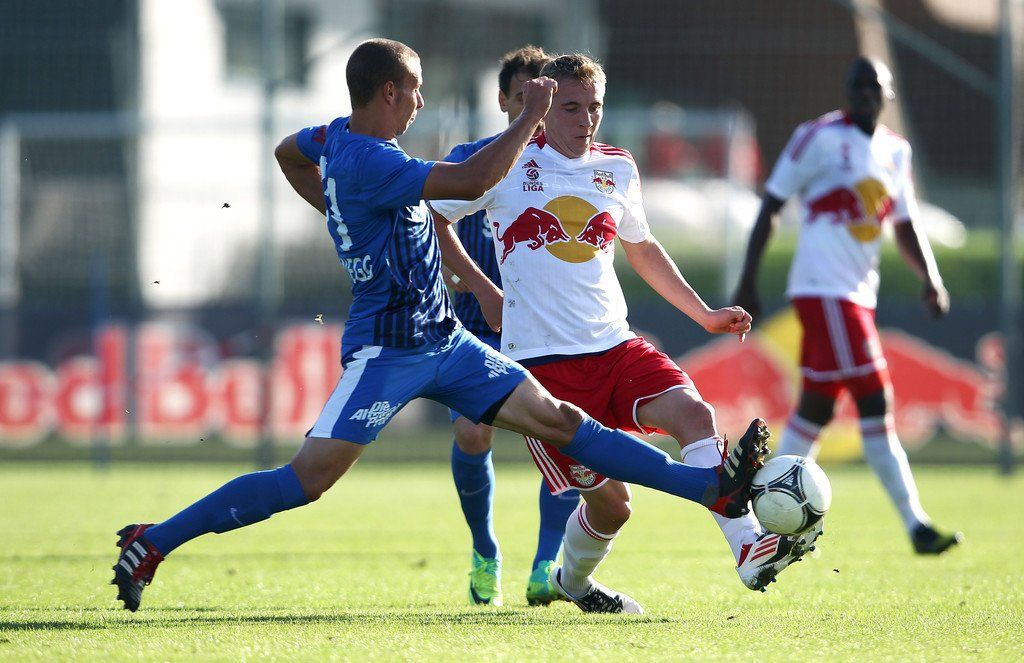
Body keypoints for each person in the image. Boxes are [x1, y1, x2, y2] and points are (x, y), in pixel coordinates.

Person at [111, 38, 769, 613]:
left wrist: (336, 213)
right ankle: (154, 540)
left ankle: (709, 487)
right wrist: (530, 117)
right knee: (305, 480)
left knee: (563, 422)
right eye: (415, 91)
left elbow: (289, 153)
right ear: (388, 93)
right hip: (387, 351)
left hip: (448, 340)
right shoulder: (373, 161)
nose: (421, 103)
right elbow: (476, 176)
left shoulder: (332, 137)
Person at [430, 54, 821, 614]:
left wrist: (705, 315)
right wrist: (481, 287)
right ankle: (573, 583)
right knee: (614, 507)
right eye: (571, 107)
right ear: (544, 109)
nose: (585, 119)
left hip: (616, 346)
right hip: (542, 371)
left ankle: (748, 548)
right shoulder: (507, 163)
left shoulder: (617, 166)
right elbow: (434, 215)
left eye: (594, 107)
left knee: (696, 415)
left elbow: (641, 247)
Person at [732, 57, 961, 555]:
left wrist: (930, 278)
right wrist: (747, 280)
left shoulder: (896, 151)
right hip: (824, 290)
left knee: (816, 408)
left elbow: (904, 222)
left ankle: (751, 511)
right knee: (875, 400)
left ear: (887, 93)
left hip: (857, 292)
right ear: (846, 90)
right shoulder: (817, 137)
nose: (864, 93)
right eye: (856, 85)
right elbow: (772, 203)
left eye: (873, 86)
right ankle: (916, 525)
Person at [437, 46, 580, 608]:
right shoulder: (471, 161)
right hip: (481, 327)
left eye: (545, 100)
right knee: (472, 433)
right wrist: (481, 288)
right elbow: (433, 227)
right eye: (524, 98)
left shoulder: (571, 165)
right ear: (503, 101)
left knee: (565, 437)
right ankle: (484, 550)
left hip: (551, 329)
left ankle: (547, 565)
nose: (535, 111)